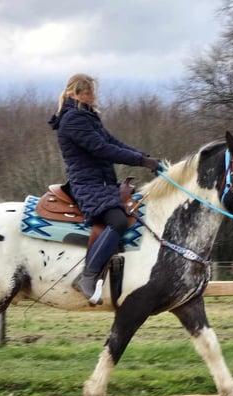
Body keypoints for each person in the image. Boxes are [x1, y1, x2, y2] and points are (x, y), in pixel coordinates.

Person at [48, 73, 160, 304]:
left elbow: (113, 142)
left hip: (103, 183)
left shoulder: (88, 117)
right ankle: (87, 277)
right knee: (118, 222)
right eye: (87, 92)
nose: (92, 96)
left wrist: (145, 157)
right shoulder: (72, 120)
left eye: (92, 91)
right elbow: (102, 149)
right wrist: (139, 162)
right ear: (73, 93)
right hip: (87, 184)